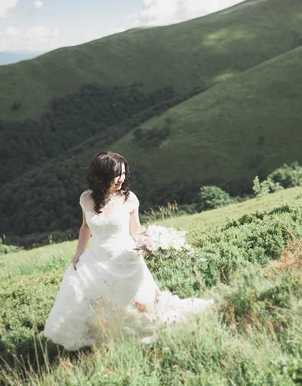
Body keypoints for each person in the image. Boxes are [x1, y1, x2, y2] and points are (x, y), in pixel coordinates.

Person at [43, 150, 214, 350]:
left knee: (136, 300)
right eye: (117, 175)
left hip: (125, 257)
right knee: (96, 299)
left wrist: (156, 242)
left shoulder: (129, 198)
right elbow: (86, 227)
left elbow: (135, 230)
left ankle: (138, 331)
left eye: (124, 174)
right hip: (97, 258)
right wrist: (78, 254)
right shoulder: (86, 199)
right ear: (101, 176)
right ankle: (104, 335)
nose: (121, 179)